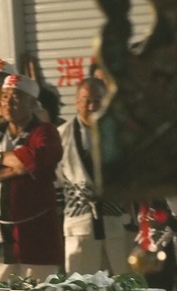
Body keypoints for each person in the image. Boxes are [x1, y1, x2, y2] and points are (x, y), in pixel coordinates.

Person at [0, 74, 64, 285]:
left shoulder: (45, 132)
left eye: (15, 97)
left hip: (38, 235)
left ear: (33, 103)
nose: (7, 102)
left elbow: (39, 161)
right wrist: (19, 166)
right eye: (4, 96)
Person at [56, 77, 132, 275]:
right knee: (80, 285)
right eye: (86, 100)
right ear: (76, 101)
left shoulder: (120, 134)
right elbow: (55, 180)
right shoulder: (61, 135)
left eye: (97, 100)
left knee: (125, 284)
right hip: (79, 222)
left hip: (115, 221)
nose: (91, 106)